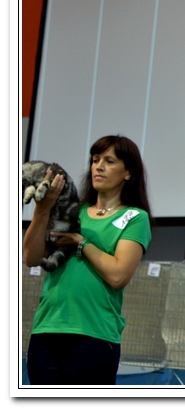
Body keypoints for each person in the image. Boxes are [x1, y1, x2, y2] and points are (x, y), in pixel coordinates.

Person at [23, 135, 153, 385]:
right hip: (47, 329)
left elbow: (118, 275)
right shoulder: (74, 208)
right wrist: (43, 209)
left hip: (95, 335)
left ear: (128, 172)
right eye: (95, 160)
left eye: (109, 161)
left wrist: (79, 241)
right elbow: (31, 257)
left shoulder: (135, 217)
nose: (99, 167)